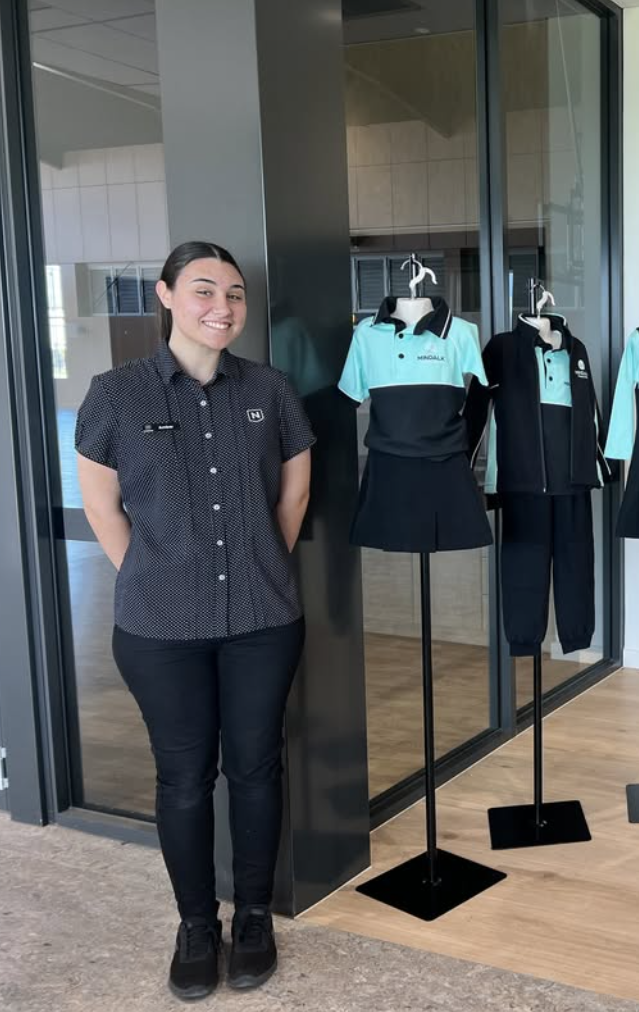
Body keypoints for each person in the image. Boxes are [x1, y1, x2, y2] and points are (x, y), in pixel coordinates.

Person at [75, 241, 315, 1001]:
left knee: (255, 768)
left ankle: (251, 918)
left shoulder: (270, 390)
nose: (223, 307)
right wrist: (154, 579)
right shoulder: (116, 395)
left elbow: (293, 497)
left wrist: (255, 570)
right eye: (205, 290)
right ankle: (194, 925)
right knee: (183, 778)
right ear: (167, 295)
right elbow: (102, 509)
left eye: (236, 294)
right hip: (158, 631)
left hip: (262, 619)